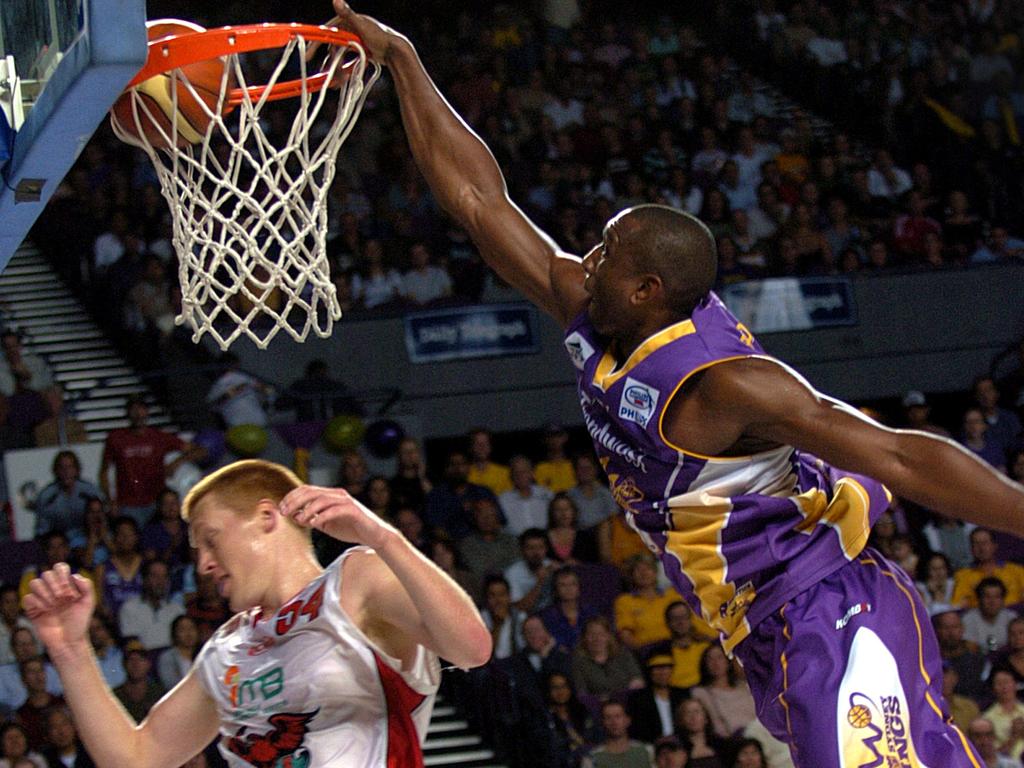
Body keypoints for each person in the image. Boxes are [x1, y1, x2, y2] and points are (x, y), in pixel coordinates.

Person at [332, 7, 1024, 766]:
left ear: (647, 290)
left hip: (831, 609)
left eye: (607, 253)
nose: (587, 258)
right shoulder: (594, 312)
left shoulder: (722, 385)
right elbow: (478, 202)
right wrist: (402, 59)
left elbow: (900, 457)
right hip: (765, 627)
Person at [23, 459, 490, 767]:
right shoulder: (225, 647)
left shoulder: (354, 581)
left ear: (266, 519)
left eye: (211, 539)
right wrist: (69, 651)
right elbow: (137, 758)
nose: (204, 563)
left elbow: (471, 646)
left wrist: (382, 538)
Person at [99, 395, 205, 527]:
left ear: (147, 411)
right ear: (128, 413)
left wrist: (176, 462)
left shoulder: (159, 437)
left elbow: (200, 451)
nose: (138, 413)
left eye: (141, 409)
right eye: (134, 409)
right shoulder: (115, 438)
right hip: (127, 503)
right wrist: (110, 500)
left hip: (156, 502)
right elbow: (103, 471)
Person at [689, 644, 757, 739]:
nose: (715, 663)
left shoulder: (745, 687)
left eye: (719, 657)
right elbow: (716, 726)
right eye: (710, 659)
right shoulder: (701, 693)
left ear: (727, 661)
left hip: (759, 734)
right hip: (732, 740)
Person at [626, 654, 689, 744]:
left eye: (666, 668)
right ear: (650, 672)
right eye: (657, 668)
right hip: (651, 744)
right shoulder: (638, 698)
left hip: (682, 742)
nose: (662, 672)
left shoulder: (682, 694)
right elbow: (637, 728)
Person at [581, 700, 653, 768]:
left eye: (618, 716)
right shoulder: (592, 759)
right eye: (608, 717)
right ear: (603, 723)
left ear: (627, 720)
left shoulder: (647, 752)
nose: (614, 722)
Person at [961, 577, 1018, 652]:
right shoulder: (968, 619)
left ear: (1003, 600)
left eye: (997, 597)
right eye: (987, 597)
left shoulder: (1011, 617)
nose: (992, 602)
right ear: (979, 599)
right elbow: (969, 649)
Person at [981, 669, 1024, 760]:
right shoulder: (987, 718)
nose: (1004, 687)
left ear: (1015, 685)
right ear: (993, 688)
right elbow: (992, 756)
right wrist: (1014, 736)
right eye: (999, 684)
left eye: (1007, 682)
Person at [157, 615, 199, 690]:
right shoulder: (167, 657)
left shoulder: (205, 654)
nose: (188, 634)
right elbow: (170, 684)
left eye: (191, 628)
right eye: (182, 630)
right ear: (175, 634)